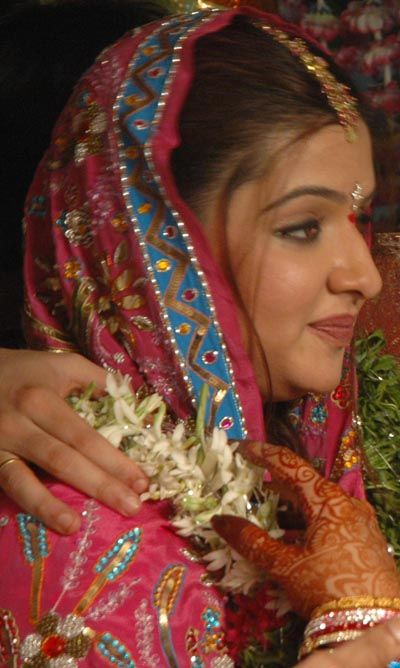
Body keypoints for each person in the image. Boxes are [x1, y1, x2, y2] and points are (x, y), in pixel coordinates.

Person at [0, 6, 399, 666]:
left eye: (356, 218)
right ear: (152, 252)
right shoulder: (70, 539)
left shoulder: (340, 468)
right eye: (303, 227)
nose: (366, 277)